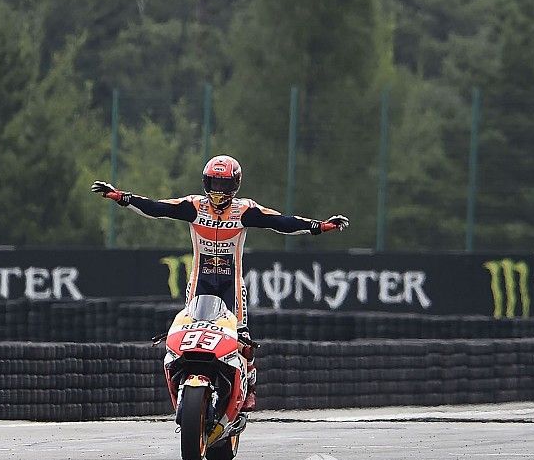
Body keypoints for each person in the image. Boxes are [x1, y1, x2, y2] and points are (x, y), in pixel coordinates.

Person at [91, 155, 349, 411]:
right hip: (200, 282)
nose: (217, 190)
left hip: (231, 284)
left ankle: (250, 384)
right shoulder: (193, 206)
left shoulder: (244, 210)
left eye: (223, 185)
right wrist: (122, 197)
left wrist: (320, 226)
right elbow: (158, 208)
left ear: (235, 186)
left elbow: (281, 222)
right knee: (189, 330)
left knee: (242, 338)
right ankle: (186, 379)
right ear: (205, 182)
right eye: (213, 183)